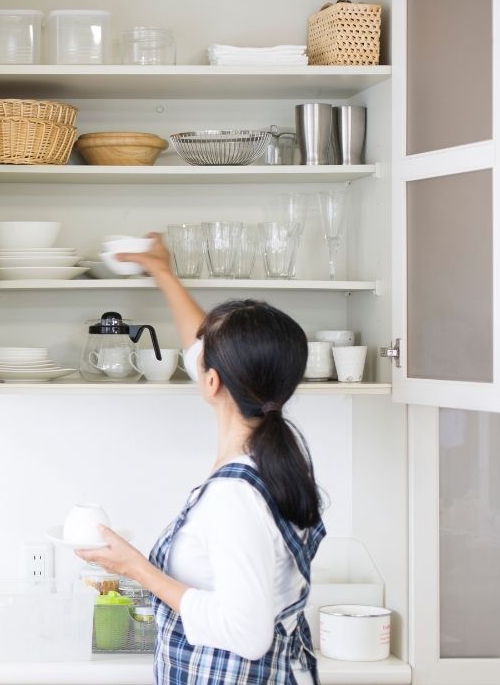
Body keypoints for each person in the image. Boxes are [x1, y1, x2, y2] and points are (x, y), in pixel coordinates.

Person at [77, 233, 326, 685]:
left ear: (212, 382)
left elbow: (246, 634)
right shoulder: (279, 462)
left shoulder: (234, 496)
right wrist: (163, 272)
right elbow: (204, 352)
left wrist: (138, 569)